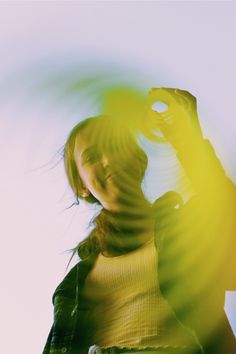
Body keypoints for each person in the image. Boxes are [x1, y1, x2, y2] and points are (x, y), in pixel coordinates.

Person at [42, 88, 236, 354]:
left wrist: (188, 142)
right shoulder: (73, 288)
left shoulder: (186, 233)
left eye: (114, 146)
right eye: (92, 157)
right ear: (81, 186)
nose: (109, 160)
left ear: (139, 159)